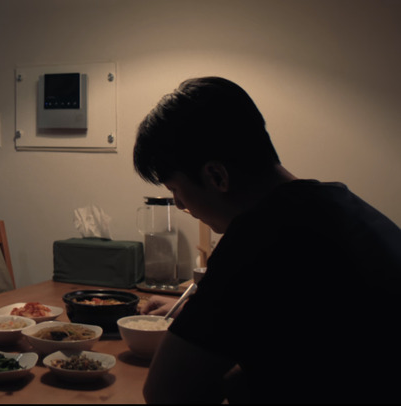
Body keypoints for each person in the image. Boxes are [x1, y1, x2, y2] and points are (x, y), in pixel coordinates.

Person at [133, 77, 401, 403]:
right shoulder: (343, 208)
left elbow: (165, 393)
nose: (179, 204)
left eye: (175, 190)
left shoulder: (260, 237)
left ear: (217, 176)